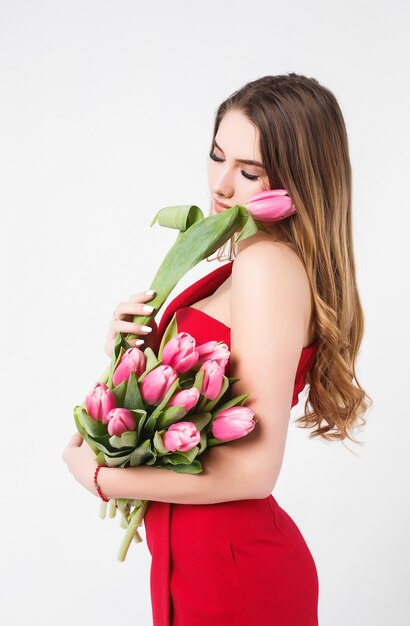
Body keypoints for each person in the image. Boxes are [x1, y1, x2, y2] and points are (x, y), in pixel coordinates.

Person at [62, 72, 372, 625]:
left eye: (249, 171)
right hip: (195, 564)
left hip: (236, 575)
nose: (222, 185)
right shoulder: (233, 267)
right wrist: (124, 357)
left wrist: (103, 478)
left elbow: (253, 472)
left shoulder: (267, 267)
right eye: (217, 155)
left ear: (300, 184)